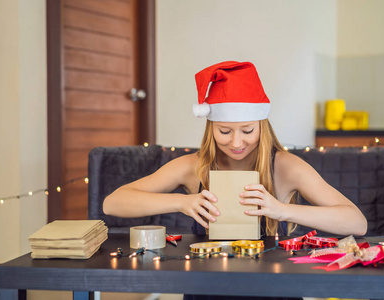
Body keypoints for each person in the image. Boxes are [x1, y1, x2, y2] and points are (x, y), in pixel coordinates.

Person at [103, 61, 367, 300]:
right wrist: (180, 203)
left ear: (262, 126)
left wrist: (282, 210)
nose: (237, 142)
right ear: (211, 128)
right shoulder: (193, 166)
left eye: (248, 131)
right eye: (225, 131)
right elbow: (113, 204)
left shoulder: (286, 167)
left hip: (274, 289)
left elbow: (356, 221)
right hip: (207, 288)